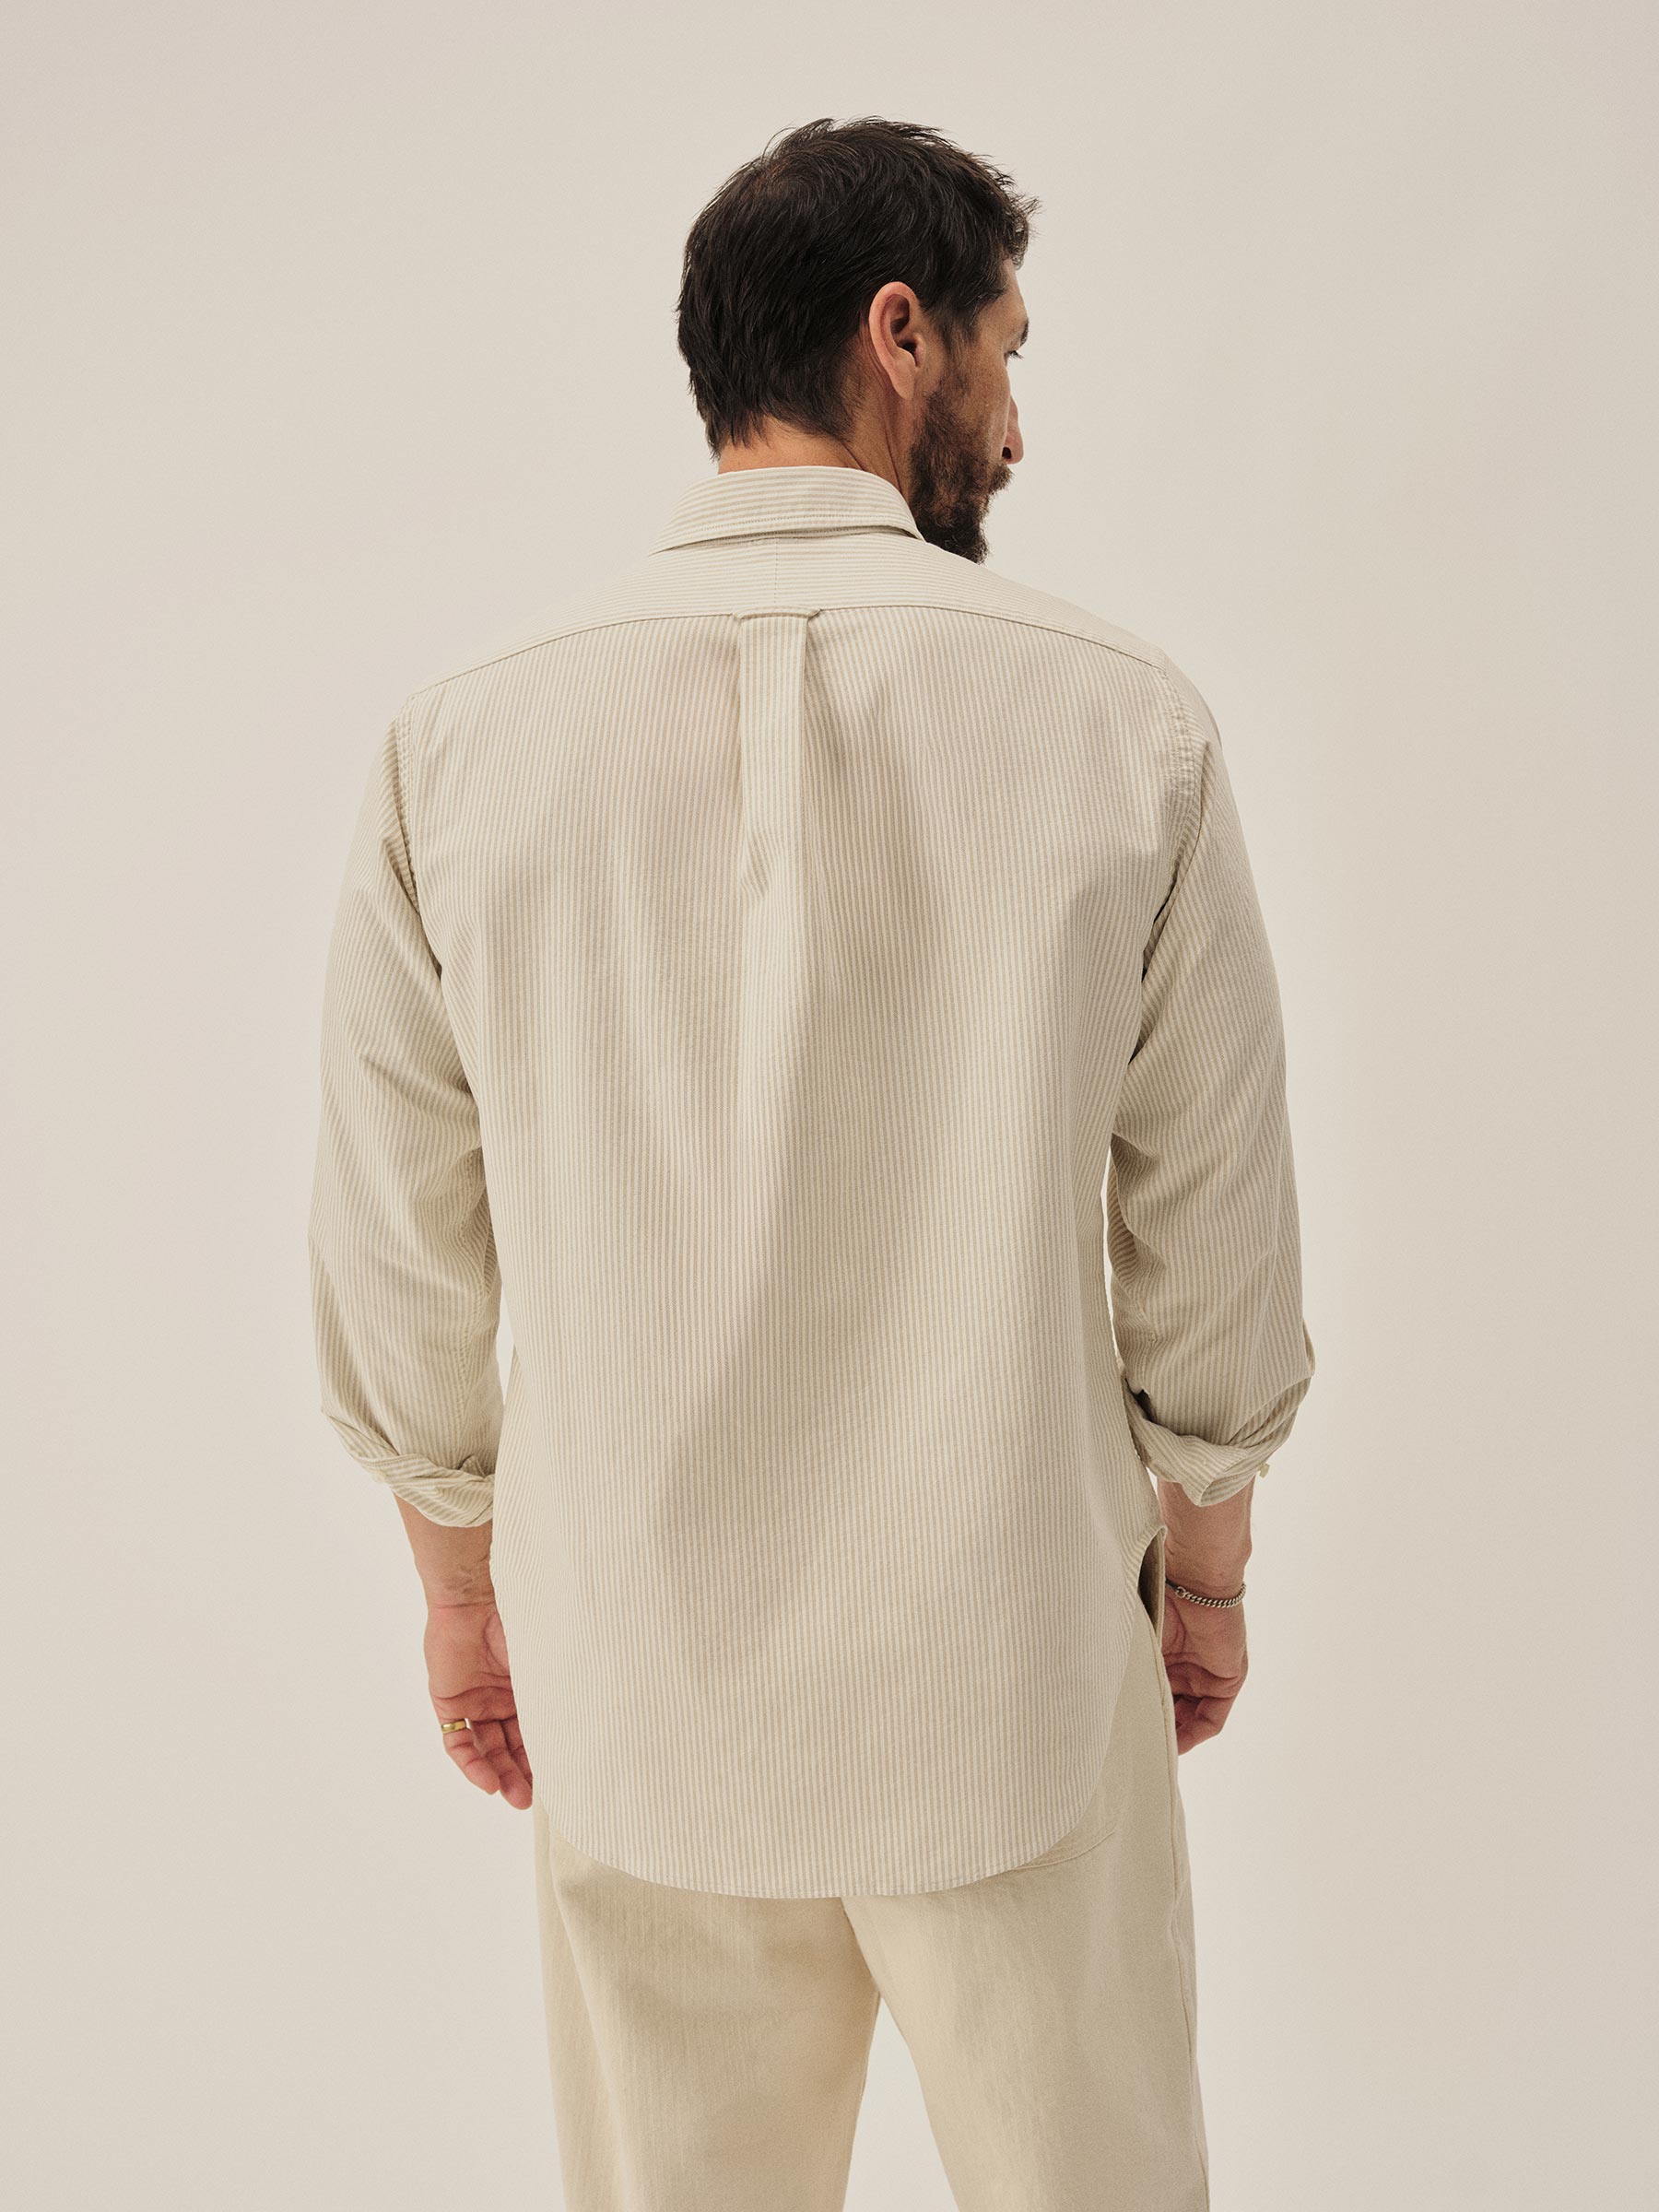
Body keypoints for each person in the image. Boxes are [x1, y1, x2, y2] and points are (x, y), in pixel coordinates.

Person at [308, 113, 1315, 2212]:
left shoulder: (462, 747)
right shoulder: (1123, 723)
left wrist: (463, 1603)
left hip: (640, 1679)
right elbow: (1213, 1233)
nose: (1017, 424)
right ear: (900, 335)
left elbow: (403, 1250)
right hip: (1015, 1670)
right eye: (1008, 356)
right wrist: (1206, 1575)